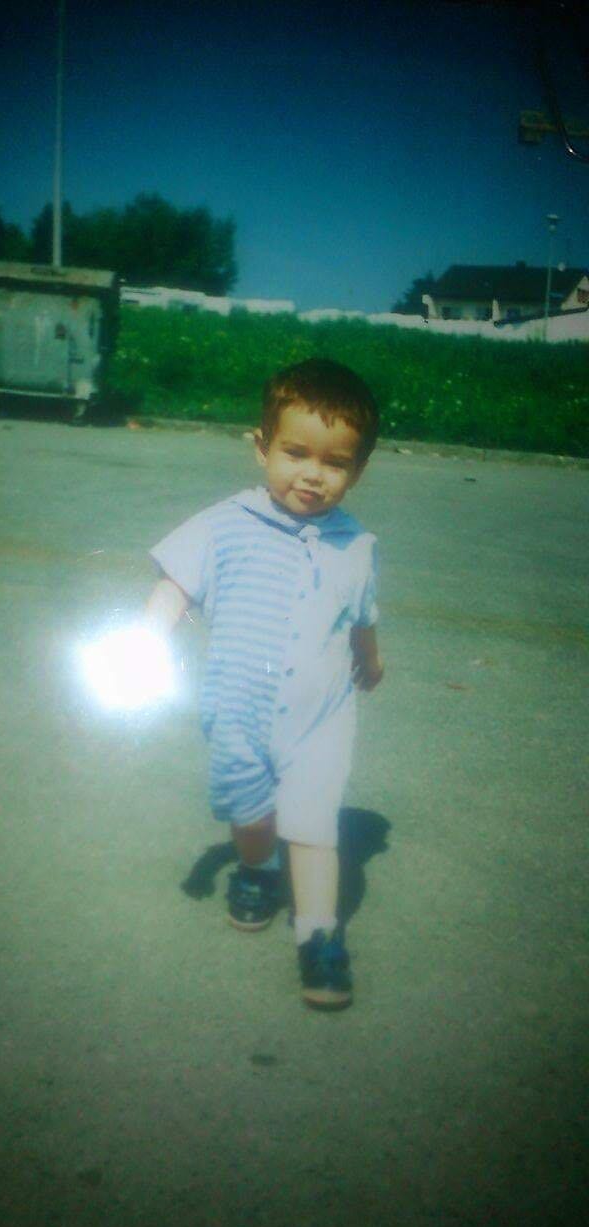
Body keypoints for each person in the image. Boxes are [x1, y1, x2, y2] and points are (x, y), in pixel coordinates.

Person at [144, 357, 384, 1009]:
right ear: (262, 448)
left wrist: (372, 657)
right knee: (251, 819)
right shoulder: (225, 524)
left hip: (319, 721)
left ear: (356, 470)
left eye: (335, 463)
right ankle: (256, 869)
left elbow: (362, 614)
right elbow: (176, 583)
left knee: (312, 827)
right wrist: (149, 636)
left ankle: (318, 936)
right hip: (237, 712)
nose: (313, 474)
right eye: (296, 452)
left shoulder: (355, 545)